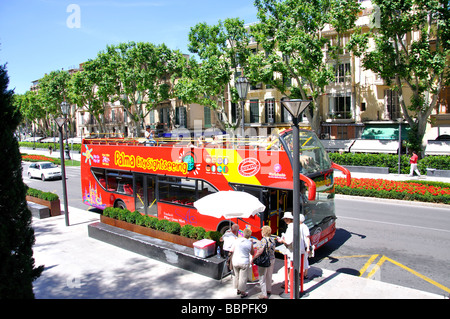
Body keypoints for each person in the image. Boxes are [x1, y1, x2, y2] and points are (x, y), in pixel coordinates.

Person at [277, 212, 310, 280]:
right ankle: (294, 282)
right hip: (299, 250)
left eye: (285, 219)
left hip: (292, 252)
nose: (284, 220)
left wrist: (281, 241)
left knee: (290, 267)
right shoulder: (297, 226)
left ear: (288, 219)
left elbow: (288, 242)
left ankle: (291, 283)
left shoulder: (290, 227)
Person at [252, 225, 276, 299]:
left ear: (264, 232)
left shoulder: (264, 240)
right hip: (272, 259)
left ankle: (264, 293)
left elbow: (260, 251)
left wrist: (254, 258)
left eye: (262, 231)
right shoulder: (272, 239)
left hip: (264, 261)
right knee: (269, 275)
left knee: (262, 277)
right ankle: (269, 289)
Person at [230, 227, 253, 298]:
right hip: (244, 262)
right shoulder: (249, 243)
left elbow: (231, 250)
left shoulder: (237, 240)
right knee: (243, 277)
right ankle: (243, 292)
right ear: (249, 235)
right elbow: (252, 253)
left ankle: (238, 289)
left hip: (235, 261)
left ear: (243, 234)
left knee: (236, 275)